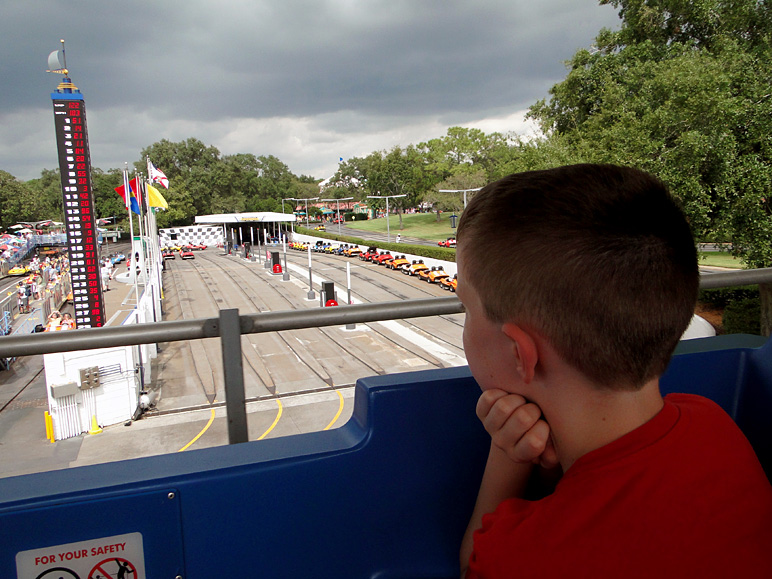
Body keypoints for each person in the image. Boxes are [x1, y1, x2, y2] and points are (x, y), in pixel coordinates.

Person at [456, 164, 772, 578]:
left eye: (465, 307)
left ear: (520, 353)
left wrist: (506, 458)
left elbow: (472, 566)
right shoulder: (713, 422)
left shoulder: (526, 557)